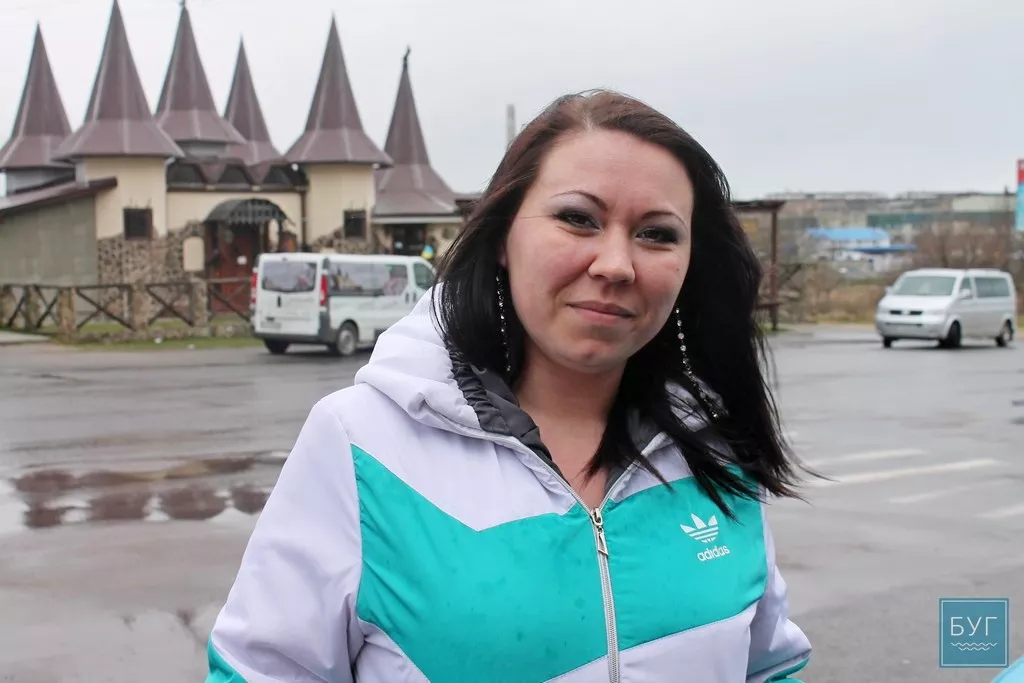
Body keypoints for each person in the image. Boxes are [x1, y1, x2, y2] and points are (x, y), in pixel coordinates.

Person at [204, 89, 812, 683]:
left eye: (657, 233)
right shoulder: (362, 443)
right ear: (502, 237)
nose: (615, 264)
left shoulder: (715, 445)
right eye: (578, 219)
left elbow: (768, 667)